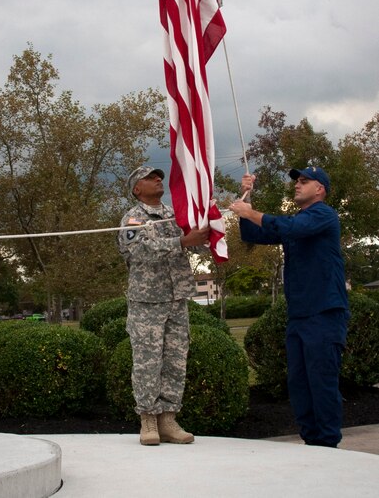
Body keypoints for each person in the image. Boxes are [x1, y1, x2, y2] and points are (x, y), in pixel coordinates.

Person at [230, 166, 349, 448]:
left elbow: (290, 228)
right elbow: (255, 235)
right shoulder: (298, 221)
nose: (297, 184)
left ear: (320, 189)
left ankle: (328, 445)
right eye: (296, 180)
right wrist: (246, 199)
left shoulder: (323, 215)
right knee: (299, 383)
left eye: (304, 181)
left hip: (324, 313)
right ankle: (311, 441)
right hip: (299, 316)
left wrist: (252, 213)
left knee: (321, 382)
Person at [118, 165, 210, 446]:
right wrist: (182, 241)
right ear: (137, 189)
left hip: (176, 298)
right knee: (147, 361)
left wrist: (206, 232)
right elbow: (138, 251)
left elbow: (197, 245)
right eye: (150, 178)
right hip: (147, 301)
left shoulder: (176, 213)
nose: (158, 180)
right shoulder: (133, 218)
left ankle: (168, 419)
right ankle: (148, 419)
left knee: (175, 360)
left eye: (159, 177)